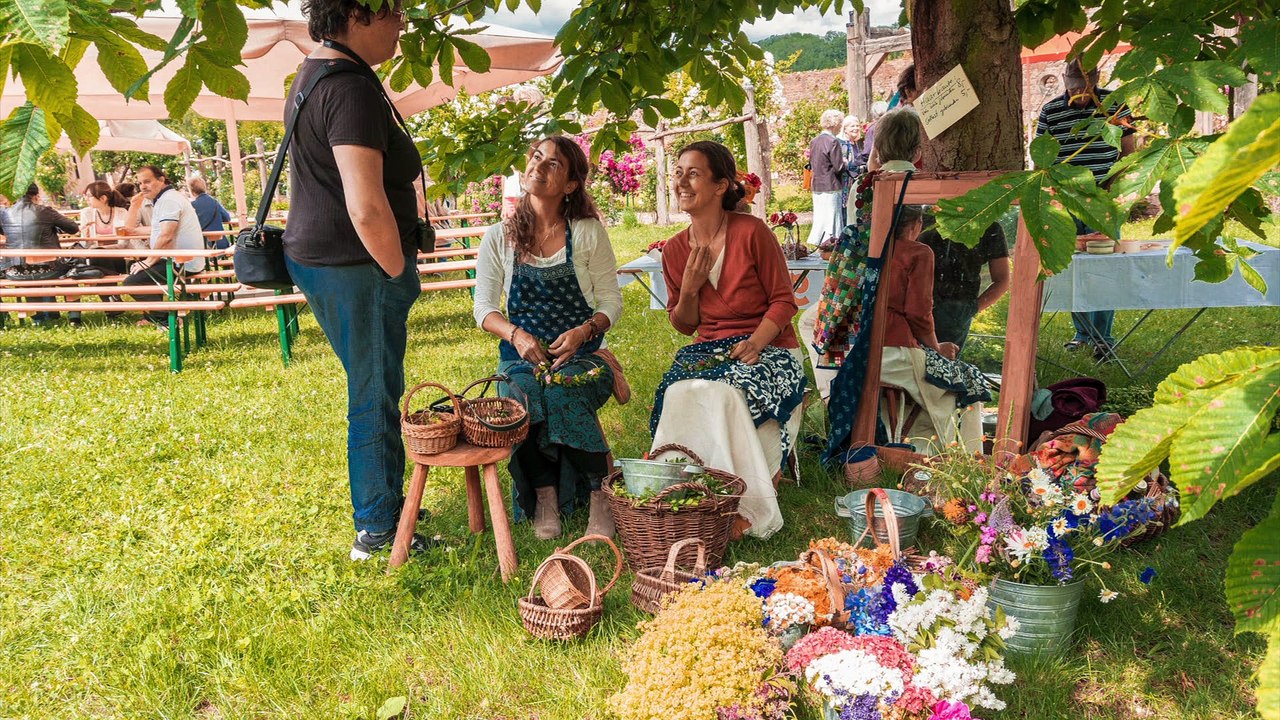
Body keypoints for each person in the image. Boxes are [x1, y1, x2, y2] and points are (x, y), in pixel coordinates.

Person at [286, 0, 429, 561]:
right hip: (356, 264)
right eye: (393, 13)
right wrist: (396, 270)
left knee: (377, 386)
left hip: (329, 259)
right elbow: (366, 206)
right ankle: (376, 529)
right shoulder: (348, 87)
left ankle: (389, 509)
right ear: (356, 15)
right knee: (372, 395)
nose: (401, 25)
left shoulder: (315, 72)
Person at [651, 141, 805, 540]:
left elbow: (784, 300)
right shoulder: (674, 250)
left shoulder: (752, 232)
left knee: (730, 389)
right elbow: (685, 325)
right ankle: (683, 494)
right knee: (677, 391)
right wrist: (689, 288)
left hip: (770, 347)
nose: (681, 181)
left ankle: (746, 504)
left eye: (694, 173)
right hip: (710, 348)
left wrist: (755, 343)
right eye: (678, 172)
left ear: (721, 186)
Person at [473, 136, 624, 540]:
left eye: (553, 164)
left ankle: (599, 496)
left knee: (561, 392)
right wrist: (516, 334)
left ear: (571, 184)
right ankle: (544, 496)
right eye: (536, 157)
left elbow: (611, 301)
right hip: (519, 357)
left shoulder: (588, 232)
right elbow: (483, 309)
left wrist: (585, 330)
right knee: (519, 400)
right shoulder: (499, 236)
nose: (538, 167)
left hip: (584, 355)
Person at [1035, 60, 1136, 359]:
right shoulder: (1050, 111)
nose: (1078, 91)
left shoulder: (1115, 105)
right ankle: (1083, 334)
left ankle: (1104, 337)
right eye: (1073, 85)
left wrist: (1114, 189)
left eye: (1084, 85)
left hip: (1103, 202)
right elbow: (1042, 158)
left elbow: (1129, 153)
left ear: (1096, 80)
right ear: (1065, 81)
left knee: (1104, 269)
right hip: (1065, 200)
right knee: (1073, 267)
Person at [878, 205, 987, 452]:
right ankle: (970, 458)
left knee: (933, 386)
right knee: (968, 382)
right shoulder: (918, 252)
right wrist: (936, 347)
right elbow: (919, 312)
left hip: (866, 351)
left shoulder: (870, 247)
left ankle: (918, 449)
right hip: (896, 352)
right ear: (916, 223)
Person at [122, 166, 206, 329]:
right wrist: (133, 206)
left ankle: (167, 320)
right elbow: (130, 230)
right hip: (178, 259)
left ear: (161, 180)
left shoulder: (168, 200)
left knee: (132, 283)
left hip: (183, 263)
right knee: (135, 273)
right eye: (140, 183)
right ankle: (161, 318)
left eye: (147, 181)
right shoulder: (164, 199)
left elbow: (167, 235)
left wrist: (149, 261)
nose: (143, 186)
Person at [917, 216, 1010, 354]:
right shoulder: (921, 219)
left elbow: (1003, 280)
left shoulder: (988, 226)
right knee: (914, 366)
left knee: (941, 369)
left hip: (954, 311)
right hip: (917, 306)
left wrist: (970, 309)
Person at [0, 184, 79, 325]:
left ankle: (39, 318)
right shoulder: (45, 211)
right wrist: (53, 226)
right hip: (47, 269)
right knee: (72, 272)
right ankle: (74, 318)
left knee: (29, 276)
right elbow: (73, 228)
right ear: (36, 196)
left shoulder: (5, 213)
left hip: (14, 271)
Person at [807, 109, 846, 247]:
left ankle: (819, 244)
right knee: (832, 219)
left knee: (820, 218)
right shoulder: (833, 141)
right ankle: (831, 246)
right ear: (835, 123)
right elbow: (838, 167)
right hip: (831, 184)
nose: (841, 126)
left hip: (817, 184)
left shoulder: (814, 141)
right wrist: (845, 163)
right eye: (840, 123)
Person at [837, 114, 866, 230]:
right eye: (852, 126)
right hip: (846, 182)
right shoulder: (843, 144)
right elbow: (845, 164)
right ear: (845, 129)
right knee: (847, 208)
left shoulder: (856, 143)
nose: (856, 128)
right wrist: (862, 168)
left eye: (857, 125)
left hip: (855, 180)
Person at [188, 177, 232, 248]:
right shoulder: (214, 202)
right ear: (204, 188)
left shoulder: (192, 206)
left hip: (202, 245)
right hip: (220, 243)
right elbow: (227, 218)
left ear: (192, 191)